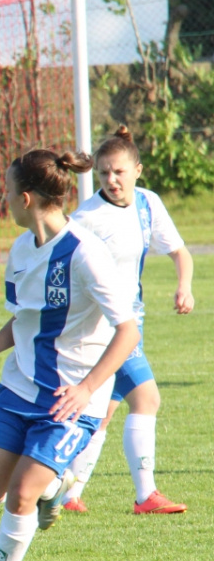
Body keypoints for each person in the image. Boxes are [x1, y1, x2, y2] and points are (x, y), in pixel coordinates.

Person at [0, 148, 140, 561]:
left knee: (20, 493)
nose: (3, 200)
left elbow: (127, 331)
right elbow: (26, 319)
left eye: (5, 192)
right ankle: (55, 486)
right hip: (18, 386)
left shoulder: (86, 254)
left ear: (25, 199)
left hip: (70, 398)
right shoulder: (22, 249)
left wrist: (87, 389)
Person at [60, 125, 194, 515]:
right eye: (103, 173)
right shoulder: (87, 218)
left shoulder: (148, 203)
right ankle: (145, 495)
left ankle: (66, 492)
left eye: (118, 171)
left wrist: (184, 286)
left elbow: (180, 252)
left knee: (103, 413)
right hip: (107, 328)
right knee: (148, 398)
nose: (111, 180)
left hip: (133, 320)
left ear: (137, 169)